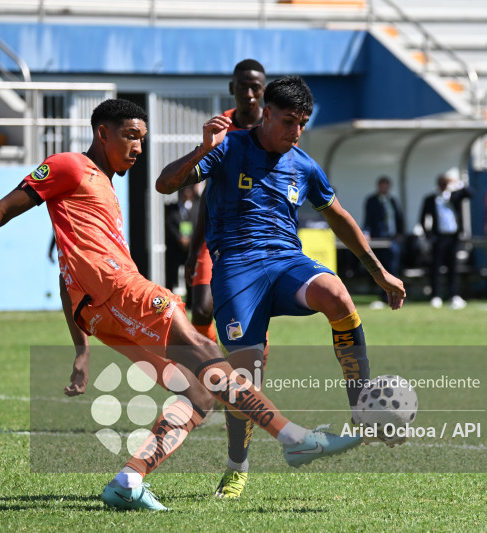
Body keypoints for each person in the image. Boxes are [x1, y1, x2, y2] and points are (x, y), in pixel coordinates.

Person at [0, 98, 366, 511]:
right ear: (102, 133)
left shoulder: (103, 191)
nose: (137, 147)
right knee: (208, 352)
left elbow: (66, 277)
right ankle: (292, 437)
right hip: (121, 290)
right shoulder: (70, 167)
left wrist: (80, 346)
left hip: (97, 312)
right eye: (130, 136)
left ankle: (128, 480)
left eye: (142, 139)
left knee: (198, 392)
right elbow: (1, 209)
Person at [157, 77, 406, 500]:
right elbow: (165, 183)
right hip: (236, 269)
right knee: (246, 377)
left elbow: (339, 216)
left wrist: (378, 272)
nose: (296, 132)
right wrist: (203, 147)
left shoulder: (305, 165)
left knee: (338, 295)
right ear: (267, 114)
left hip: (287, 261)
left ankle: (362, 411)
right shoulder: (228, 146)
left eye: (303, 124)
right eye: (289, 121)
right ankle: (237, 465)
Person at [185, 58, 267, 344]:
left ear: (264, 89)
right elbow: (209, 191)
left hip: (257, 235)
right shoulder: (220, 129)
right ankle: (210, 371)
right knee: (201, 309)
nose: (249, 94)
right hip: (218, 232)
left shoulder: (274, 131)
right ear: (232, 87)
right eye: (242, 87)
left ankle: (252, 368)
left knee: (248, 314)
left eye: (255, 87)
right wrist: (194, 250)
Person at [420, 173, 472, 310]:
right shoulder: (431, 199)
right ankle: (436, 295)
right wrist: (429, 235)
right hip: (439, 237)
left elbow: (470, 193)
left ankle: (454, 295)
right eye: (442, 183)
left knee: (453, 267)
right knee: (436, 267)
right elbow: (423, 218)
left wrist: (457, 183)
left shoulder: (454, 196)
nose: (444, 186)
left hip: (453, 237)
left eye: (446, 183)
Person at [362, 176, 404, 309]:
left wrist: (400, 233)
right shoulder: (372, 201)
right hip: (379, 238)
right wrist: (366, 233)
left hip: (392, 239)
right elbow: (368, 219)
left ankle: (397, 296)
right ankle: (383, 297)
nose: (384, 188)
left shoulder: (392, 200)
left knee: (393, 267)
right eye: (382, 185)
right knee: (381, 269)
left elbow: (398, 218)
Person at [164, 185, 199, 295]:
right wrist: (179, 237)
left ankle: (190, 302)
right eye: (183, 190)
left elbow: (200, 225)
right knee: (171, 275)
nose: (186, 192)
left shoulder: (198, 208)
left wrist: (190, 239)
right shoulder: (171, 208)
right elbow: (169, 224)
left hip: (191, 248)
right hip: (175, 248)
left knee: (191, 274)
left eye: (189, 190)